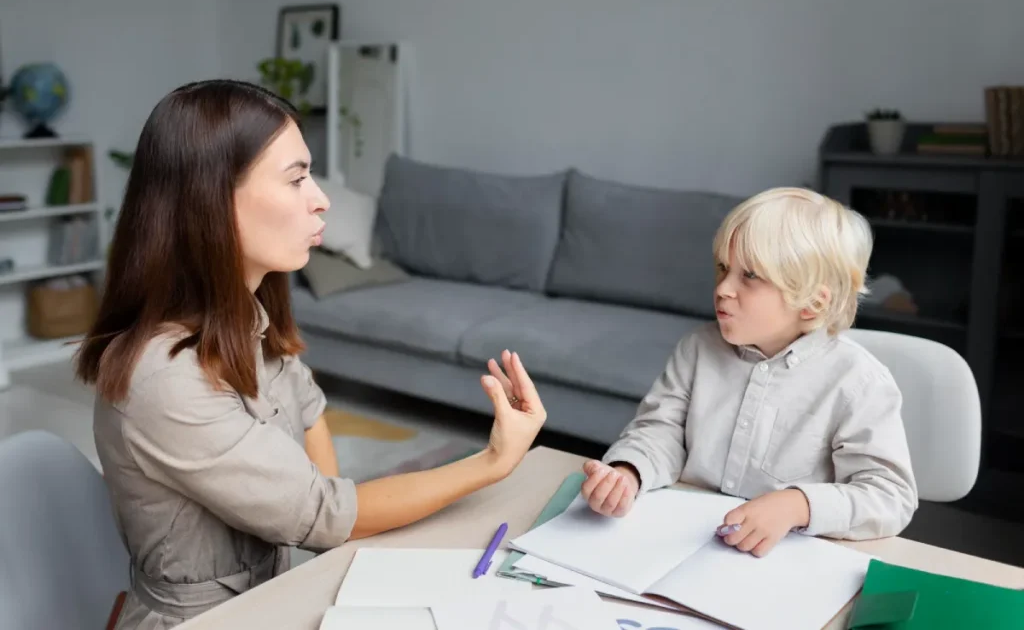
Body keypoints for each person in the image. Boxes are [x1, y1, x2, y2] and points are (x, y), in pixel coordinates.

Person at [76, 79, 547, 629]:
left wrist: (336, 537)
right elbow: (328, 513)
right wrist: (492, 463)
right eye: (297, 178)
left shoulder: (248, 319)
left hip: (275, 595)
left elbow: (311, 416)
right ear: (211, 198)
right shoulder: (163, 378)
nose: (320, 198)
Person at [579, 187, 918, 557]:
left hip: (785, 560)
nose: (723, 289)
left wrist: (796, 506)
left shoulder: (858, 382)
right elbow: (661, 431)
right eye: (724, 268)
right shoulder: (697, 349)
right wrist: (628, 472)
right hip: (681, 540)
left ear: (811, 302)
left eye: (750, 276)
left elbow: (889, 497)